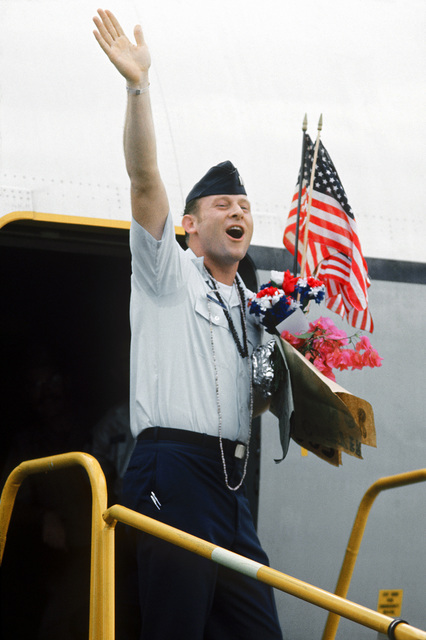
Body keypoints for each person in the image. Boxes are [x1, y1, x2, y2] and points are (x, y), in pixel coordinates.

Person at [93, 9, 284, 639]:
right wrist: (137, 85)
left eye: (246, 208)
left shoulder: (251, 307)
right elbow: (144, 180)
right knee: (175, 626)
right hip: (171, 467)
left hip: (231, 482)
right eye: (222, 205)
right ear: (192, 226)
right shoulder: (166, 274)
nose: (238, 213)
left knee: (259, 631)